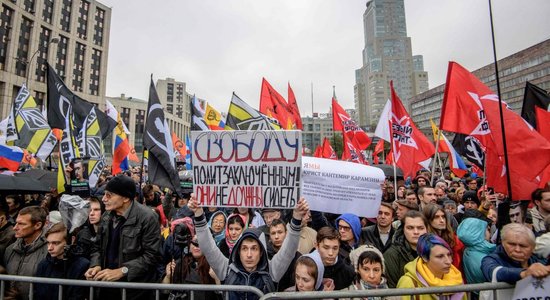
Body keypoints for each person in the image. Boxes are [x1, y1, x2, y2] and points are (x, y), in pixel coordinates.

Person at [189, 196, 309, 300]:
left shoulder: (271, 271)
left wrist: (297, 217)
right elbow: (208, 247)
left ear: (261, 252)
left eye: (254, 248)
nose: (249, 254)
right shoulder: (227, 270)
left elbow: (289, 250)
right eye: (245, 248)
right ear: (238, 251)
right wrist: (199, 214)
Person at [85, 175, 161, 300]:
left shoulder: (147, 218)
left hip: (134, 291)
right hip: (106, 287)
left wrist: (123, 271)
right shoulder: (107, 216)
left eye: (109, 195)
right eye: (104, 194)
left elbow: (152, 256)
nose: (104, 199)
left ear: (125, 198)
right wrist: (96, 265)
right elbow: (97, 246)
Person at [396, 233, 466, 300]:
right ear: (425, 258)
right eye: (440, 256)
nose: (448, 261)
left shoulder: (456, 278)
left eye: (449, 255)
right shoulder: (408, 283)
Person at [34, 223, 90, 300]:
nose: (49, 248)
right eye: (48, 243)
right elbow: (37, 293)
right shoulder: (43, 264)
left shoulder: (82, 265)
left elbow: (78, 295)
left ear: (72, 240)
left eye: (56, 243)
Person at [4, 206, 48, 300]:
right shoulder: (10, 249)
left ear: (37, 225)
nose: (15, 227)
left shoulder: (49, 250)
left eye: (21, 224)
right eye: (16, 223)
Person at [163, 228, 220, 300]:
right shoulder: (180, 263)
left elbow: (223, 295)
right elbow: (165, 292)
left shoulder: (215, 264)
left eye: (201, 243)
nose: (197, 247)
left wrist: (217, 279)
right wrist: (168, 277)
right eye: (194, 242)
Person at [481, 223, 550, 284]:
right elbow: (496, 273)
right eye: (512, 244)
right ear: (503, 243)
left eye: (523, 246)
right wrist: (524, 273)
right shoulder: (491, 259)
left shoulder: (540, 260)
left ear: (533, 247)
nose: (517, 249)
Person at [384, 210, 428, 288]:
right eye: (410, 228)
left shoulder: (434, 251)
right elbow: (392, 288)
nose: (416, 232)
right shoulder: (391, 255)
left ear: (426, 229)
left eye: (420, 228)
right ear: (403, 230)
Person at [456, 211, 495, 285]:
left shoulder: (469, 251)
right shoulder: (480, 257)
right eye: (486, 228)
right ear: (477, 232)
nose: (489, 228)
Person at [422, 204, 463, 271]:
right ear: (428, 220)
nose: (442, 220)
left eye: (443, 217)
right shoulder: (425, 242)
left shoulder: (454, 239)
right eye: (436, 217)